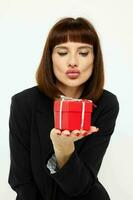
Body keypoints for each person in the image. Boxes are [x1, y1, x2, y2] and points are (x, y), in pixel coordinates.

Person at [8, 17, 119, 200]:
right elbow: (21, 181)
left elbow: (82, 185)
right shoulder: (23, 103)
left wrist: (64, 149)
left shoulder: (106, 103)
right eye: (62, 53)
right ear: (50, 57)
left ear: (95, 58)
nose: (73, 62)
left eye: (83, 53)